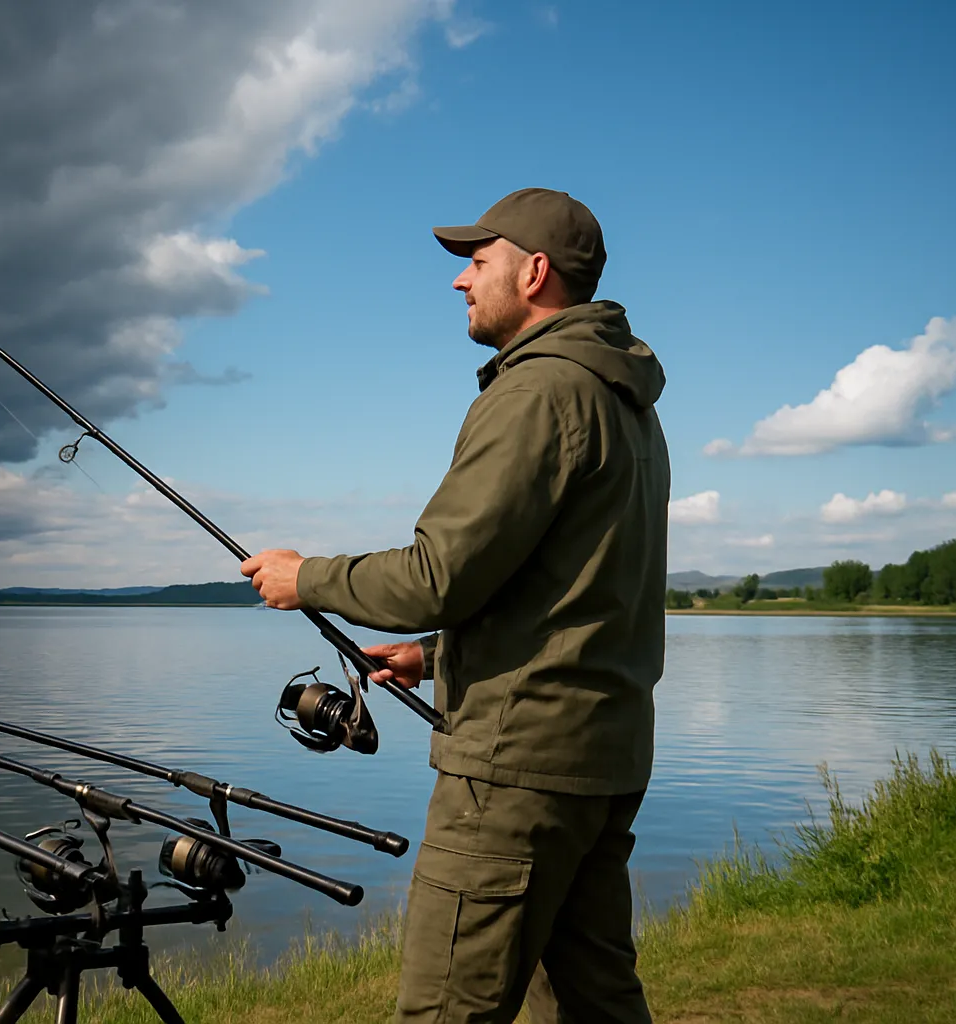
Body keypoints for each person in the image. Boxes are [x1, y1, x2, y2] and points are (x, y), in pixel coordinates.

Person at [241, 188, 669, 1024]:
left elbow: (436, 574)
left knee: (444, 1011)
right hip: (600, 763)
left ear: (535, 271)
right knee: (593, 1007)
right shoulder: (626, 402)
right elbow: (576, 592)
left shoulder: (537, 393)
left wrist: (308, 578)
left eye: (478, 263)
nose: (460, 282)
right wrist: (436, 657)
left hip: (515, 774)